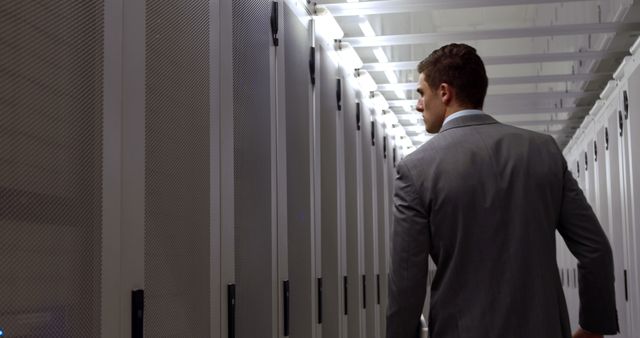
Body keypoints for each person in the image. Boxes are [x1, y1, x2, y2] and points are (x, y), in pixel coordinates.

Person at [386, 43, 619, 338]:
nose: (419, 105)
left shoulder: (416, 169)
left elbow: (407, 283)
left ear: (444, 92)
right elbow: (595, 250)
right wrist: (594, 327)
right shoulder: (542, 151)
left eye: (422, 93)